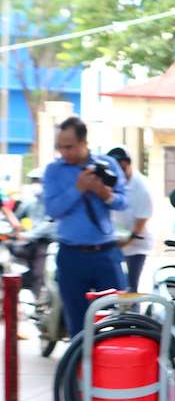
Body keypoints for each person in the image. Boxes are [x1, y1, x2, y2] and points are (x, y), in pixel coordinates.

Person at [43, 116, 129, 338]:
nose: (64, 152)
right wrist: (78, 189)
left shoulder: (107, 165)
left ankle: (111, 368)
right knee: (77, 323)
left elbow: (123, 202)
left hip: (106, 254)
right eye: (60, 147)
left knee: (117, 318)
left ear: (84, 142)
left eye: (69, 146)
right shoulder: (54, 170)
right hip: (71, 255)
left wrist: (104, 193)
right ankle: (79, 370)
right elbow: (52, 209)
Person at [106, 147, 154, 292]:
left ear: (127, 164)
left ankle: (132, 313)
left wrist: (123, 242)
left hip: (135, 245)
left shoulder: (141, 187)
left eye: (119, 168)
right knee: (113, 287)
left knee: (130, 289)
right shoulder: (110, 182)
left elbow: (140, 223)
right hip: (115, 241)